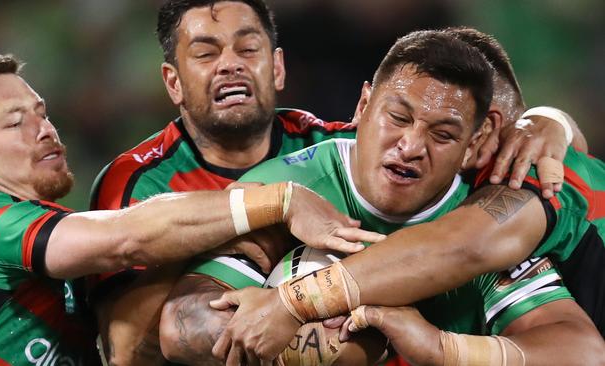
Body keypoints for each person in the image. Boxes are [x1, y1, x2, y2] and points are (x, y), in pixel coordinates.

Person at [90, 1, 584, 364]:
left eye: (247, 47)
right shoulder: (160, 180)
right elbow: (143, 346)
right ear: (363, 107)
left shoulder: (505, 178)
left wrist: (550, 120)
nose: (410, 145)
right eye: (206, 53)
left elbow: (472, 252)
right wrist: (332, 346)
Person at [202, 30, 605, 364]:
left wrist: (293, 304)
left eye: (449, 132)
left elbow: (463, 246)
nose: (412, 146)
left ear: (490, 130)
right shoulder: (301, 174)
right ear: (365, 104)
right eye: (399, 117)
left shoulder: (526, 173)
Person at [0, 54, 382, 365]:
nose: (45, 129)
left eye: (42, 114)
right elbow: (127, 238)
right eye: (15, 123)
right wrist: (280, 200)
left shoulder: (34, 229)